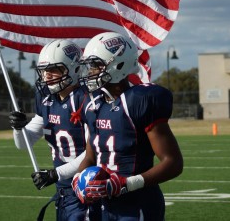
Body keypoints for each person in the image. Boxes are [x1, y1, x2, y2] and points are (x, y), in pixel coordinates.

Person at [72, 32, 184, 220]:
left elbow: (173, 163)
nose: (90, 72)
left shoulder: (139, 100)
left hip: (137, 203)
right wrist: (78, 178)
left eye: (96, 66)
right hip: (104, 205)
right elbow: (91, 157)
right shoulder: (94, 107)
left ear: (119, 65)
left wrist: (126, 184)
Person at [9, 40, 99, 221]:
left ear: (73, 69)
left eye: (54, 69)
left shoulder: (86, 99)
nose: (47, 76)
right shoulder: (47, 100)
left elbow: (93, 153)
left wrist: (56, 173)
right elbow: (23, 144)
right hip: (63, 190)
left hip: (85, 187)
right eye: (44, 70)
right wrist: (18, 128)